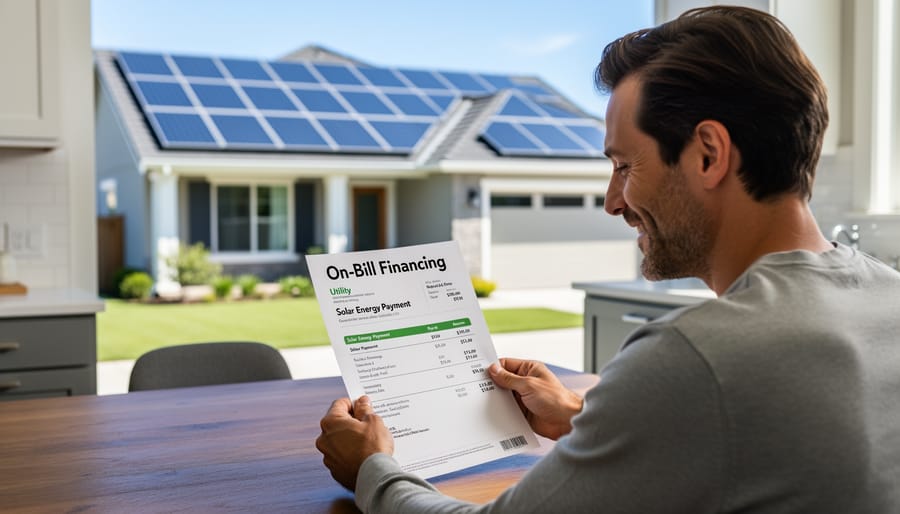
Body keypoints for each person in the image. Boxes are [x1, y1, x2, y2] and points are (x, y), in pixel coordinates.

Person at [316, 6, 900, 513]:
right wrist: (580, 416)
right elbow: (767, 440)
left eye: (624, 165)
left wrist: (372, 468)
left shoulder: (696, 356)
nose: (612, 201)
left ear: (708, 154)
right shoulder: (887, 298)